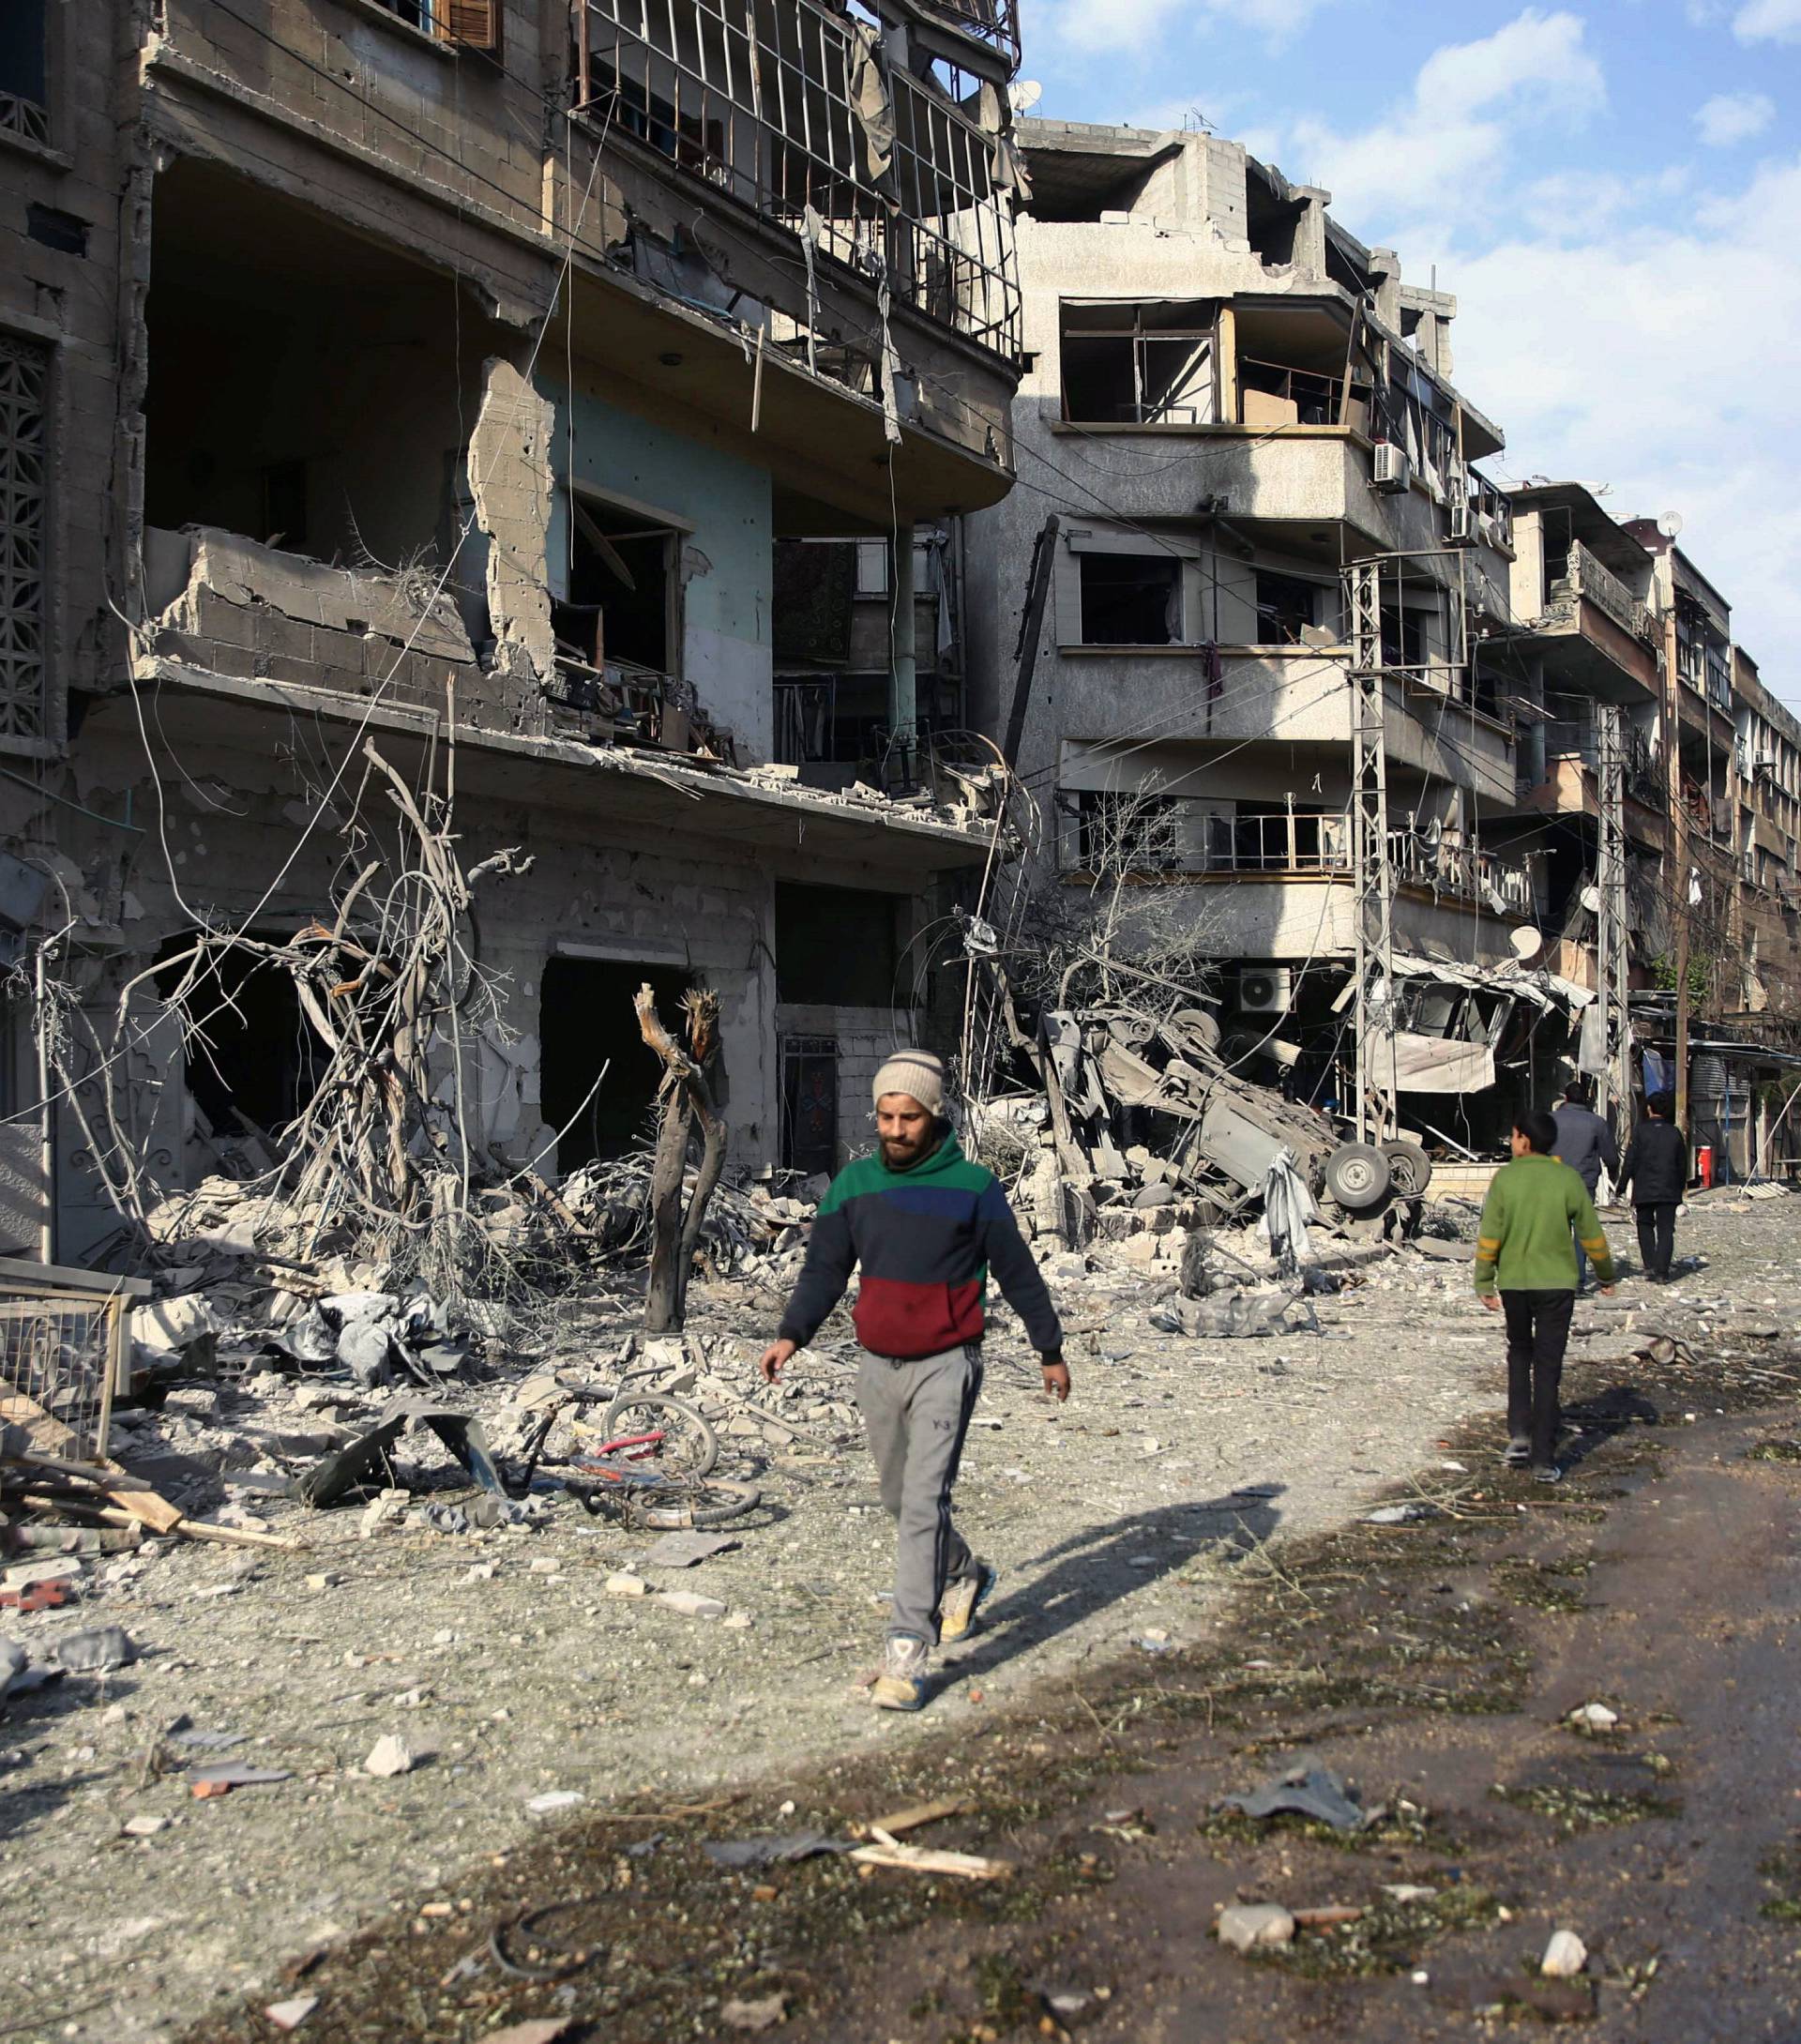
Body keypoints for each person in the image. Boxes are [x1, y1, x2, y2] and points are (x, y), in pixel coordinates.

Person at [760, 1051, 1067, 1712]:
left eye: (909, 1116)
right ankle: (964, 1573)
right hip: (877, 1365)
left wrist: (1050, 1347)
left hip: (946, 1364)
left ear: (935, 1116)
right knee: (901, 1499)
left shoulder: (975, 1187)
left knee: (924, 1502)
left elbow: (1017, 1273)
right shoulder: (853, 1186)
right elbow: (824, 1270)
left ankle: (906, 1652)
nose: (895, 1128)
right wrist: (792, 1333)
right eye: (886, 1115)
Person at [1474, 1110, 1616, 1483]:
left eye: (1514, 1134)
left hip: (1515, 1284)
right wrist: (1606, 1274)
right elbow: (1591, 1234)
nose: (1511, 1140)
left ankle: (1519, 1434)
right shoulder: (1568, 1179)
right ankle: (1543, 1458)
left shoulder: (1505, 1179)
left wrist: (1484, 1281)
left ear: (1523, 1139)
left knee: (1520, 1352)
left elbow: (1490, 1235)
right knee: (1549, 1365)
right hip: (1557, 1284)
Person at [1551, 1081, 1619, 1292]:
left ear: (1566, 1098)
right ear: (1586, 1099)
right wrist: (1615, 1176)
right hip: (1584, 1183)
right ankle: (1578, 1280)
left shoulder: (1549, 1120)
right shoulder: (1596, 1123)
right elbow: (1610, 1156)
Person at [1617, 1091, 1687, 1283]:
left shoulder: (1640, 1131)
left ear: (1649, 1109)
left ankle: (1650, 1265)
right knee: (1666, 1230)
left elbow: (1630, 1161)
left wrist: (1621, 1186)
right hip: (1668, 1189)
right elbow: (1682, 1163)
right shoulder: (1674, 1133)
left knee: (1645, 1226)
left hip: (1644, 1188)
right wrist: (1680, 1187)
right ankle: (1662, 1272)